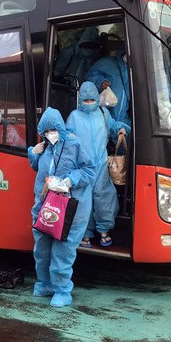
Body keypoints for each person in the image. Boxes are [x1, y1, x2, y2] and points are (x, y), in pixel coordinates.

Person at [28, 107, 95, 307]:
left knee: (62, 249)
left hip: (69, 206)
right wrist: (33, 153)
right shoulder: (46, 147)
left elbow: (90, 170)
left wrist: (70, 180)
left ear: (60, 128)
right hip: (44, 204)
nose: (50, 134)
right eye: (46, 131)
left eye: (53, 130)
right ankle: (45, 283)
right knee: (41, 247)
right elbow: (38, 168)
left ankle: (62, 290)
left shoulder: (74, 144)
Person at [66, 81, 130, 248]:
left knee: (105, 198)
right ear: (80, 100)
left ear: (97, 98)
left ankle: (104, 230)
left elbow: (113, 126)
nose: (89, 103)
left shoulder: (103, 113)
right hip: (82, 167)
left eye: (91, 100)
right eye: (85, 101)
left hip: (101, 165)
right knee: (82, 200)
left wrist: (121, 129)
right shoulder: (74, 116)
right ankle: (84, 233)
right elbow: (68, 140)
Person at [85, 41, 132, 127]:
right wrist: (100, 82)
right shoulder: (107, 62)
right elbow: (90, 76)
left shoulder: (136, 68)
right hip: (103, 116)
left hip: (124, 118)